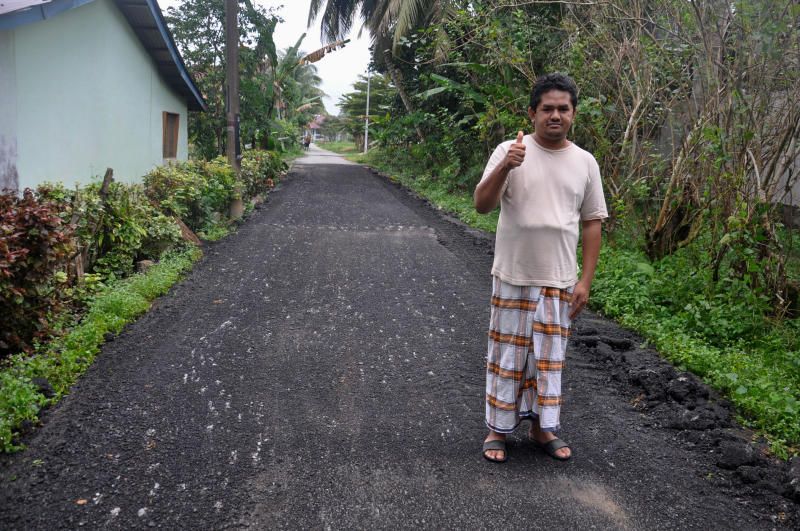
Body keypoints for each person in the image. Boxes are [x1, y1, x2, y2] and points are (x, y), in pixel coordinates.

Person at [474, 73, 608, 463]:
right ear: (532, 113)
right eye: (547, 108)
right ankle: (496, 429)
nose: (555, 115)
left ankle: (541, 427)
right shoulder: (509, 150)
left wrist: (585, 280)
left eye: (562, 109)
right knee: (508, 357)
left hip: (559, 281)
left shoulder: (585, 162)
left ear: (573, 115)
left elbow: (592, 222)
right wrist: (506, 167)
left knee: (548, 361)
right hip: (513, 275)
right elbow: (481, 205)